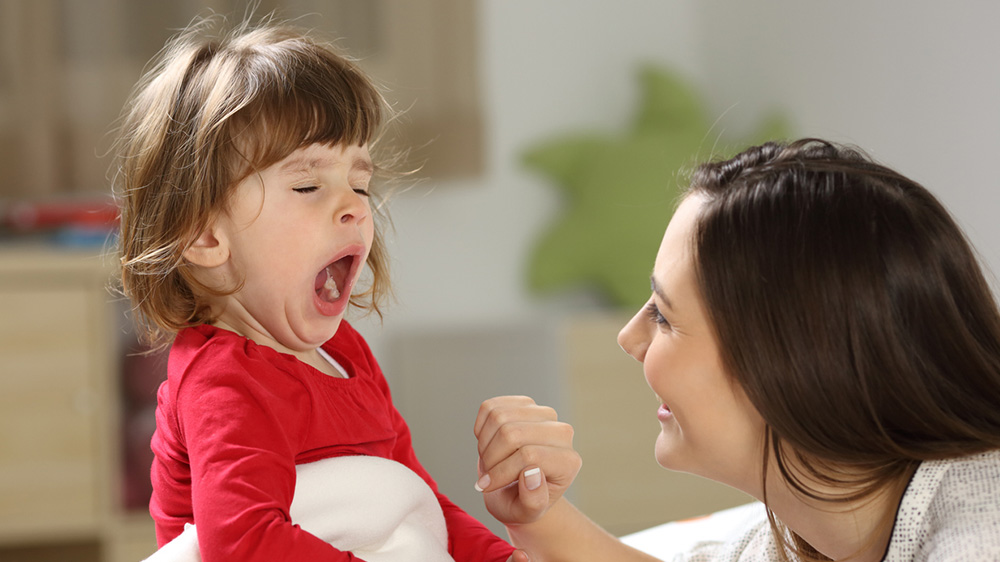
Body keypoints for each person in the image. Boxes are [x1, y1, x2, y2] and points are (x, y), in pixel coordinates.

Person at [473, 138, 1000, 561]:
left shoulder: (979, 538)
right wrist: (539, 515)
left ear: (791, 358)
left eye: (662, 314)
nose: (629, 338)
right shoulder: (812, 527)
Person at [112, 16, 517, 562]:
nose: (353, 206)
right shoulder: (224, 384)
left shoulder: (347, 356)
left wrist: (499, 557)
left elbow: (418, 504)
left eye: (360, 183)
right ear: (205, 235)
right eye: (308, 185)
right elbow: (245, 545)